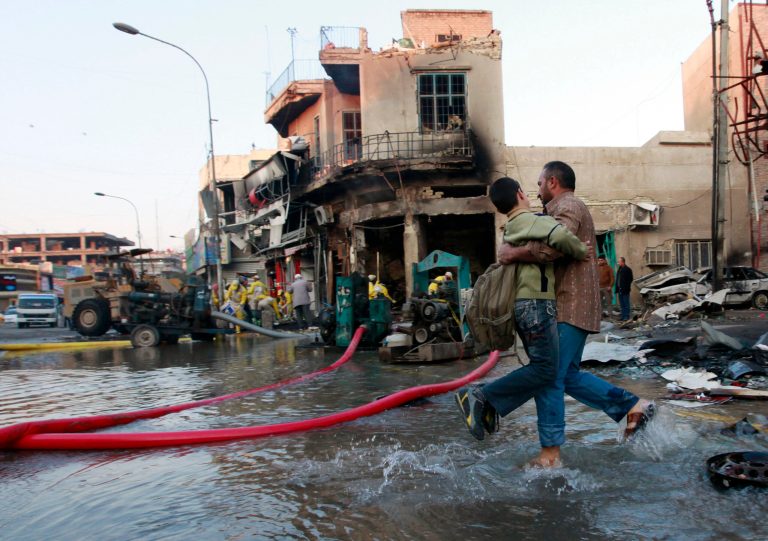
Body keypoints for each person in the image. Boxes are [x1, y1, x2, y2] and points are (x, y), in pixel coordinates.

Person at [497, 161, 653, 467]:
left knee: (551, 376)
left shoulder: (567, 205)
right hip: (569, 303)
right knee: (564, 374)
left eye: (540, 183)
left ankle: (550, 456)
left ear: (553, 182)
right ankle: (632, 406)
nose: (537, 189)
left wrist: (513, 252)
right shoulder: (560, 208)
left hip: (571, 303)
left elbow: (555, 246)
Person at [455, 177, 587, 445]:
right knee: (546, 370)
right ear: (520, 194)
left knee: (543, 367)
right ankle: (481, 396)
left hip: (527, 304)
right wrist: (581, 250)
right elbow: (562, 236)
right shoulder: (528, 219)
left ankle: (490, 405)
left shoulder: (515, 224)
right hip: (536, 304)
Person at [615, 257, 634, 321]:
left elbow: (630, 279)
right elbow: (618, 279)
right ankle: (623, 316)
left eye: (619, 262)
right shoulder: (619, 269)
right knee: (622, 304)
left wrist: (626, 287)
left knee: (626, 303)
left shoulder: (627, 269)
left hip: (625, 290)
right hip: (619, 289)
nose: (618, 263)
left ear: (622, 262)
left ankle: (626, 316)